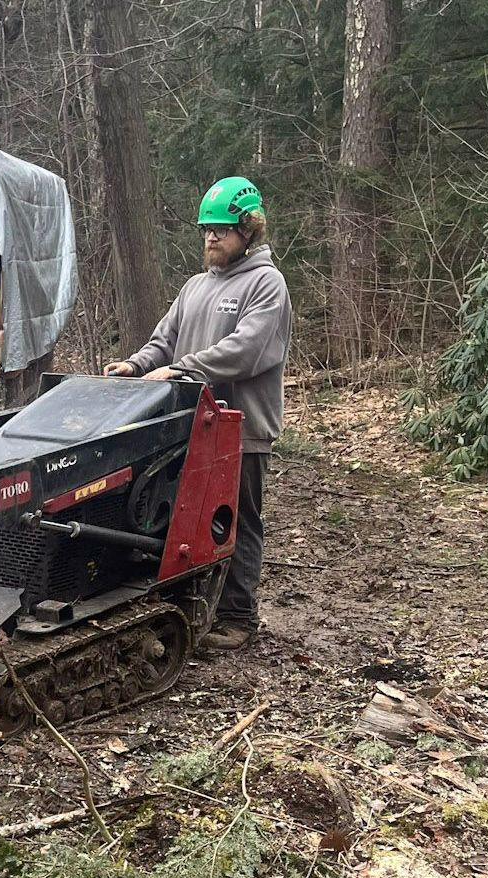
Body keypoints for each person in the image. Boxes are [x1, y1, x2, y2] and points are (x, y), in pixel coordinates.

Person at [103, 176, 292, 652]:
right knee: (178, 516)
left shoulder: (266, 284)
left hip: (239, 428)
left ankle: (237, 616)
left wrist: (180, 369)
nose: (211, 237)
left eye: (222, 229)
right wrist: (137, 364)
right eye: (206, 228)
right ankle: (186, 604)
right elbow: (164, 339)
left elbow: (245, 351)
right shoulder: (194, 286)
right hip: (188, 425)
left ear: (248, 230)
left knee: (236, 519)